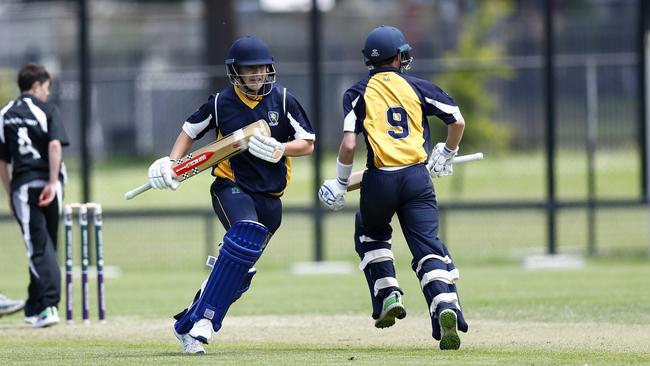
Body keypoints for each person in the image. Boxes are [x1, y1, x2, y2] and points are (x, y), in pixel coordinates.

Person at [146, 36, 315, 354]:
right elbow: (189, 132)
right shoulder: (221, 103)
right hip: (231, 187)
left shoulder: (282, 100)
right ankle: (206, 325)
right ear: (236, 72)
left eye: (262, 69)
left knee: (240, 271)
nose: (257, 75)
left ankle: (186, 324)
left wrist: (282, 148)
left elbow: (308, 142)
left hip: (271, 198)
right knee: (244, 235)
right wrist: (172, 164)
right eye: (249, 70)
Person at [318, 26, 469, 350]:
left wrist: (342, 182)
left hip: (379, 180)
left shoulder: (356, 93)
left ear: (368, 61)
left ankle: (388, 293)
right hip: (417, 179)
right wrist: (446, 153)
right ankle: (444, 305)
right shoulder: (417, 87)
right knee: (428, 247)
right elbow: (457, 121)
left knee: (370, 233)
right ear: (400, 57)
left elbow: (347, 145)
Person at [0, 63, 69, 328]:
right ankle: (38, 305)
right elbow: (54, 145)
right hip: (51, 183)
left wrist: (10, 192)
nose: (48, 94)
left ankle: (47, 306)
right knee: (46, 245)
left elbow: (2, 161)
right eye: (47, 88)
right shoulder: (48, 110)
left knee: (38, 247)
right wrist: (53, 183)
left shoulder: (5, 114)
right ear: (37, 85)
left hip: (24, 186)